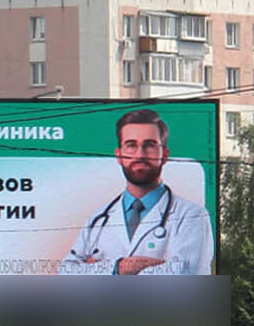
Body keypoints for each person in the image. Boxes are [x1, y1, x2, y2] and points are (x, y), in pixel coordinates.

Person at [57, 108, 215, 277]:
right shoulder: (98, 219)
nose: (140, 154)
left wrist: (98, 273)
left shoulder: (192, 216)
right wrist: (120, 268)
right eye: (131, 145)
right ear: (119, 155)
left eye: (150, 145)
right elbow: (66, 274)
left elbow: (185, 276)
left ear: (165, 154)